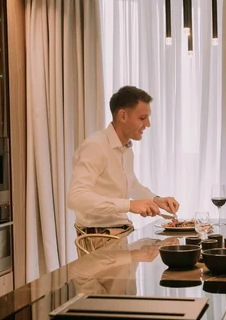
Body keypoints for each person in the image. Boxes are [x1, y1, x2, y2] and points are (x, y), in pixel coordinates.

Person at [67, 85, 180, 242]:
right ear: (122, 116)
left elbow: (131, 184)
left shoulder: (126, 149)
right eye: (142, 118)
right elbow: (76, 198)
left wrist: (156, 200)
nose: (148, 125)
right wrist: (129, 205)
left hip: (123, 235)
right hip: (100, 239)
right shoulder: (95, 146)